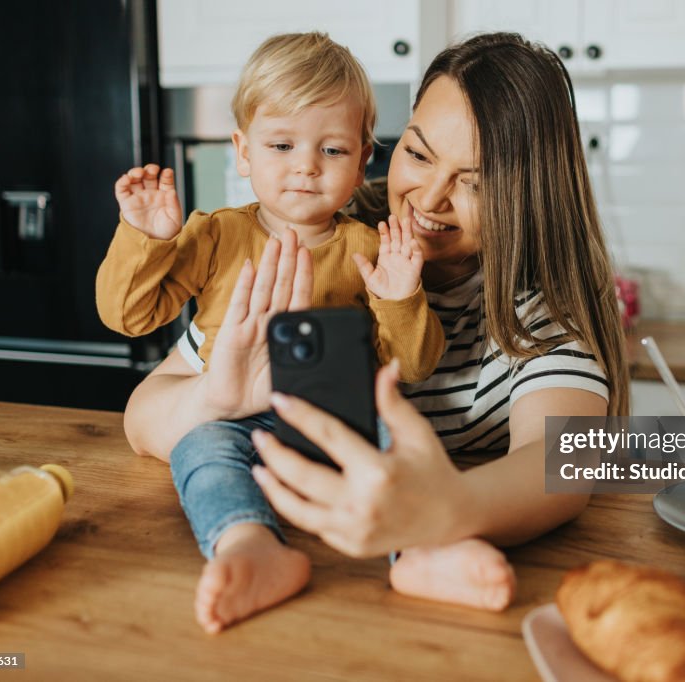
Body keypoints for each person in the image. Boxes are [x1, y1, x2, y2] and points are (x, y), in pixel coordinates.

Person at [123, 32, 630, 633]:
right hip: (302, 592)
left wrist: (440, 514)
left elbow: (567, 467)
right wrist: (214, 398)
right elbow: (143, 415)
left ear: (528, 196)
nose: (430, 198)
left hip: (409, 608)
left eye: (476, 181)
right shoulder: (320, 242)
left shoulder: (536, 313)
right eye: (418, 155)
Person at [95, 32, 446, 634]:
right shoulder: (212, 236)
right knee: (199, 448)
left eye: (332, 150)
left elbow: (412, 367)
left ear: (364, 159)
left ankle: (428, 550)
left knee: (403, 439)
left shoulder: (373, 249)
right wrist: (148, 240)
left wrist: (400, 296)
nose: (305, 166)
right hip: (234, 420)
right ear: (243, 151)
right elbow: (128, 317)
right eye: (281, 144)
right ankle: (247, 544)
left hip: (342, 422)